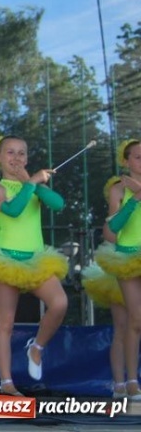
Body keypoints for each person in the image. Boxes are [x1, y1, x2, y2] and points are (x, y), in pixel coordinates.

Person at [0, 135, 68, 396]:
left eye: (21, 153)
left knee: (59, 303)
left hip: (36, 259)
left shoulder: (32, 187)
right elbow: (12, 211)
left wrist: (31, 182)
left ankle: (36, 347)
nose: (16, 158)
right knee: (5, 324)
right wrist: (31, 182)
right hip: (6, 260)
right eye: (10, 153)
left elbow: (58, 204)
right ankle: (7, 383)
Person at [96, 139, 141, 402]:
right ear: (125, 161)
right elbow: (112, 233)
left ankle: (126, 381)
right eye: (137, 157)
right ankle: (126, 381)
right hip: (127, 259)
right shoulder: (118, 189)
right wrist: (135, 199)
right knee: (130, 321)